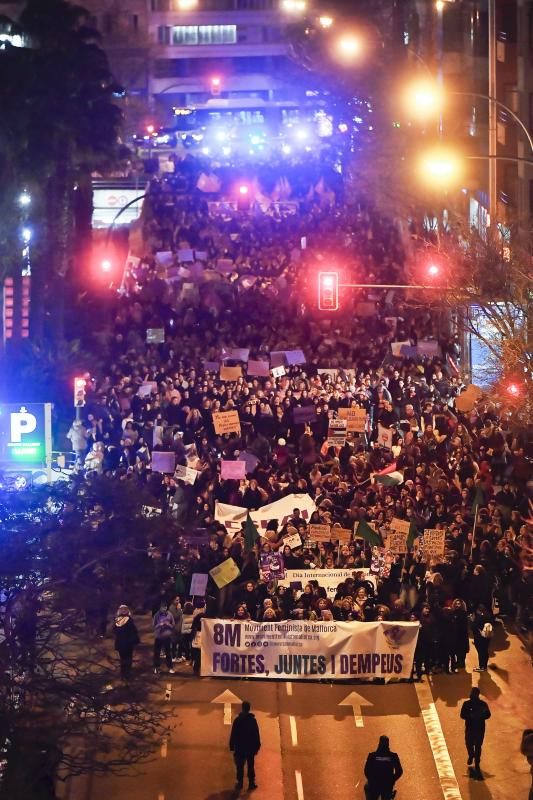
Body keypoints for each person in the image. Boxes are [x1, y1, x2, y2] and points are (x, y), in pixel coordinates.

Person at [229, 700, 261, 792]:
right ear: (249, 709)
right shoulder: (252, 720)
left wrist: (232, 746)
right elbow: (256, 734)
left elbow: (233, 734)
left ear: (242, 708)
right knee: (250, 765)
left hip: (240, 747)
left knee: (240, 766)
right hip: (250, 748)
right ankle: (251, 783)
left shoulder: (237, 720)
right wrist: (257, 746)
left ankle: (240, 783)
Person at [460, 687, 491, 776]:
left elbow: (488, 714)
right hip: (472, 728)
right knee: (470, 744)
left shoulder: (482, 704)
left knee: (477, 746)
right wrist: (471, 716)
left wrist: (480, 716)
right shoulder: (467, 704)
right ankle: (471, 755)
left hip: (478, 728)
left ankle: (477, 762)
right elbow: (462, 715)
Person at [364, 735, 403, 800]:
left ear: (379, 743)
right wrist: (392, 779)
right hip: (387, 785)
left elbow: (366, 770)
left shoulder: (372, 756)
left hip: (374, 784)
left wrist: (371, 780)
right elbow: (399, 771)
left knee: (367, 789)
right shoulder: (393, 756)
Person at [113, 605, 140, 680]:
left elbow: (114, 631)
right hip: (128, 644)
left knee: (122, 659)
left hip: (120, 644)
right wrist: (135, 641)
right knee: (128, 659)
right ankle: (127, 675)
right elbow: (134, 631)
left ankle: (123, 674)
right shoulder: (129, 620)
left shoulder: (117, 620)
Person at [153, 601, 176, 675]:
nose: (164, 609)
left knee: (168, 653)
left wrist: (168, 624)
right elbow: (154, 626)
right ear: (160, 608)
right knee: (157, 653)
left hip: (167, 637)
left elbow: (173, 625)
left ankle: (170, 667)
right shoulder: (156, 615)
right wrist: (160, 624)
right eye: (163, 607)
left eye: (165, 607)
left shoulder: (169, 614)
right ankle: (156, 668)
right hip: (159, 637)